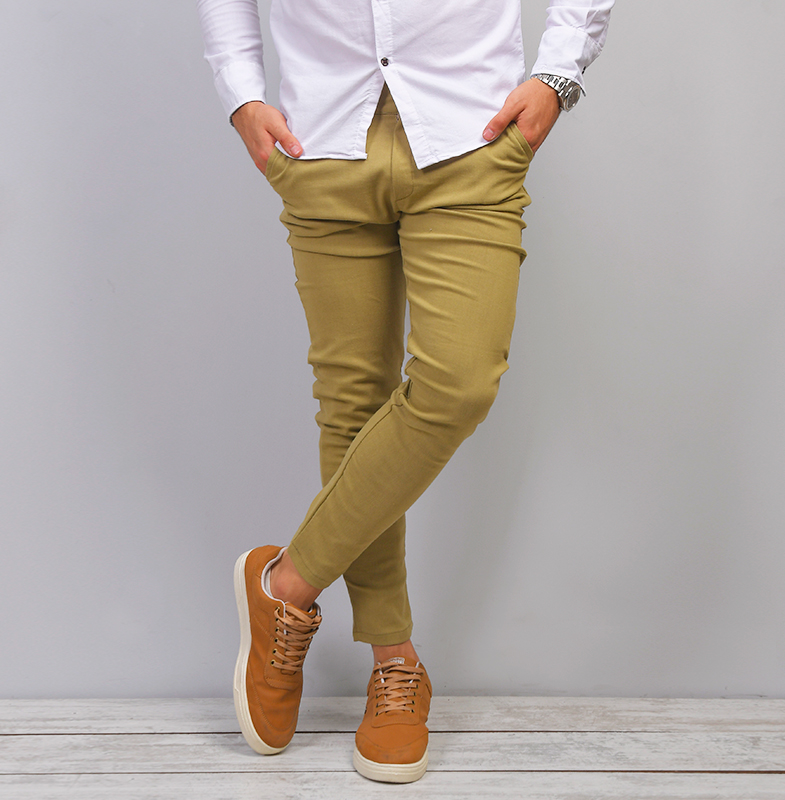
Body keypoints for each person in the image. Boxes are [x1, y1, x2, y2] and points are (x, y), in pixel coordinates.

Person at [197, 0, 614, 784]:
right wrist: (242, 93)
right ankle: (395, 666)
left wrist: (560, 72)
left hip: (471, 132)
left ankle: (284, 584)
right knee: (352, 403)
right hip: (322, 135)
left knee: (458, 383)